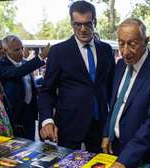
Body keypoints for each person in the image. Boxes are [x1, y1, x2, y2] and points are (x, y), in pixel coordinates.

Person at [38, 1, 115, 152]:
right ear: (71, 24)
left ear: (95, 22)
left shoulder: (106, 50)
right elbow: (47, 91)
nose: (83, 29)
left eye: (88, 24)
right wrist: (47, 120)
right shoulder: (58, 52)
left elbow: (113, 89)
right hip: (68, 126)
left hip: (101, 127)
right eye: (77, 25)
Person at [101, 18, 150, 168]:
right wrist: (107, 133)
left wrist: (125, 160)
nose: (125, 52)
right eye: (121, 43)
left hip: (142, 154)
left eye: (132, 44)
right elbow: (115, 104)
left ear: (146, 41)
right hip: (115, 147)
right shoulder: (120, 65)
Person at [0, 35, 49, 140]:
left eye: (22, 48)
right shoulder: (0, 65)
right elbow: (18, 72)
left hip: (29, 114)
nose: (21, 52)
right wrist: (40, 57)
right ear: (6, 51)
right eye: (16, 50)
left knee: (30, 147)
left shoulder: (25, 63)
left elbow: (29, 85)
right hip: (13, 116)